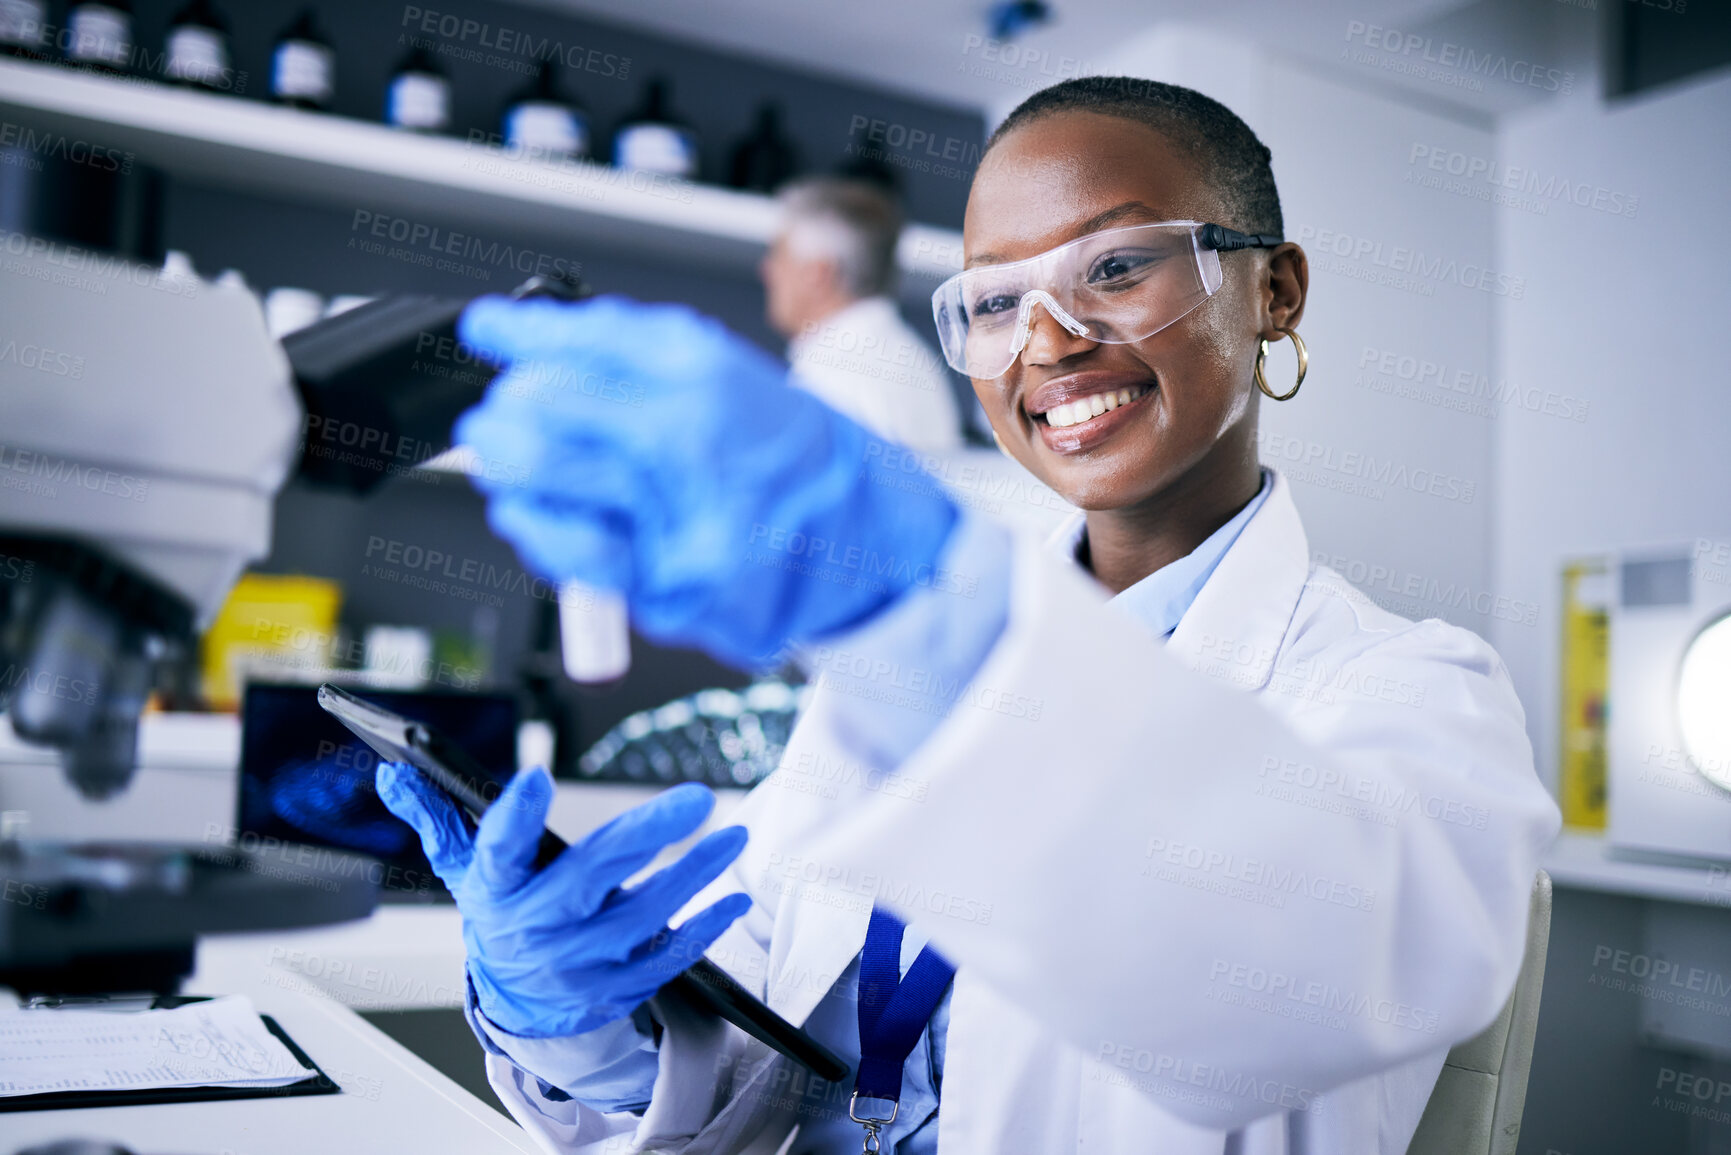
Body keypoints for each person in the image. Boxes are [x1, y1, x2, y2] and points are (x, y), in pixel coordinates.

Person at [379, 76, 1561, 1153]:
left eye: (1115, 266)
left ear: (1274, 289)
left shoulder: (1411, 692)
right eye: (995, 300)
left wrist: (920, 614)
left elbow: (1274, 989)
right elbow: (757, 1036)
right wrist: (565, 1009)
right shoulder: (890, 683)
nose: (1044, 340)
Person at [759, 176, 964, 452]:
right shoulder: (913, 360)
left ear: (818, 273)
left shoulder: (833, 375)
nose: (766, 270)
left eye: (779, 255)